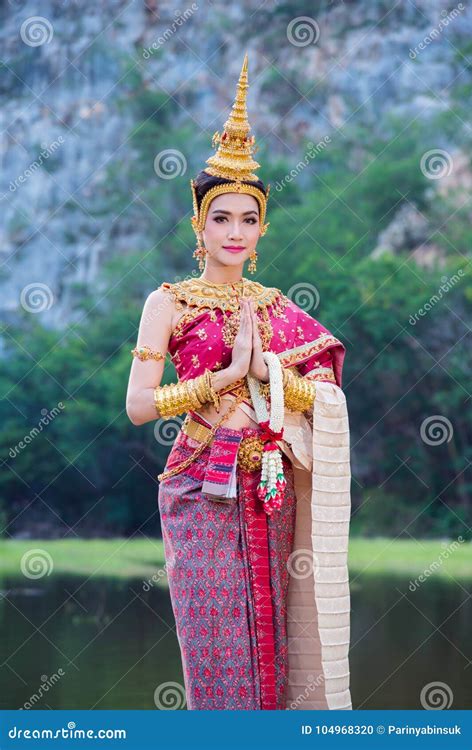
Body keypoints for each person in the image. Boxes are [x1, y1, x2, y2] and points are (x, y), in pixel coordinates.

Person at [126, 53, 352, 711]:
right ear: (199, 225)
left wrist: (266, 372)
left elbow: (327, 397)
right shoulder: (168, 302)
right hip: (200, 485)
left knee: (271, 654)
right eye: (221, 218)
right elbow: (140, 406)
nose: (234, 232)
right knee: (216, 658)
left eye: (247, 219)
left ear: (262, 229)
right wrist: (222, 377)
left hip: (267, 487)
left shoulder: (276, 307)